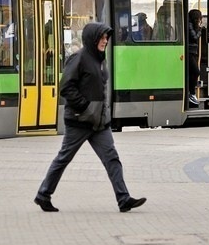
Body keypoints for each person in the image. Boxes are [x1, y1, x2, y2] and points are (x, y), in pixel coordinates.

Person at [34, 22, 147, 213]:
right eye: (102, 37)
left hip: (99, 122)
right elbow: (66, 87)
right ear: (92, 39)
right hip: (79, 121)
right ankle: (43, 195)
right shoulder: (78, 58)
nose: (105, 41)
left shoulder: (100, 59)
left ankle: (123, 199)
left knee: (112, 158)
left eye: (106, 38)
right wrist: (85, 107)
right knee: (64, 158)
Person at [187, 9, 203, 106]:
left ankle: (191, 93)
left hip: (191, 52)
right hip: (189, 52)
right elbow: (195, 37)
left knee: (193, 72)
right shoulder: (190, 25)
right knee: (196, 72)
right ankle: (191, 93)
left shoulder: (190, 24)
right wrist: (200, 30)